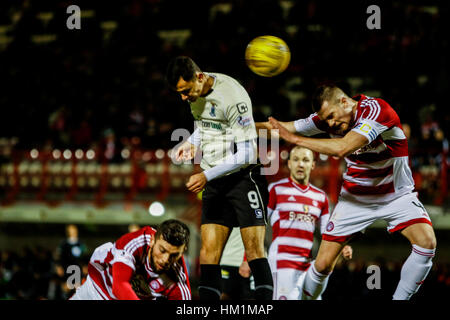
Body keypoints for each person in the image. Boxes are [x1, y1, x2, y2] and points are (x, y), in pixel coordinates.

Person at [260, 83, 437, 300]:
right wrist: (238, 128)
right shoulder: (327, 120)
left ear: (345, 102)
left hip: (395, 194)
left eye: (332, 116)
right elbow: (281, 128)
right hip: (355, 198)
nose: (330, 124)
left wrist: (295, 140)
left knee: (427, 243)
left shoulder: (376, 111)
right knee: (323, 265)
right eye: (325, 120)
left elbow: (343, 147)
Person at [166, 56, 273, 300]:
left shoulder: (233, 97)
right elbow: (203, 127)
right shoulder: (195, 94)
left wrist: (205, 175)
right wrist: (191, 143)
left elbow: (248, 152)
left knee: (254, 249)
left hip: (244, 178)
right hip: (215, 179)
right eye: (179, 93)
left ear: (199, 77)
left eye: (185, 91)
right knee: (208, 253)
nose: (184, 97)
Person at [267, 145, 352, 300]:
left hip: (307, 262)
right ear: (289, 164)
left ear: (313, 164)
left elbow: (328, 231)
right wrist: (249, 258)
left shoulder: (320, 197)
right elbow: (258, 225)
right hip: (282, 260)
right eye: (296, 160)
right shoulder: (275, 189)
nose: (300, 164)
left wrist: (342, 245)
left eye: (305, 160)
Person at [69, 219, 191, 300]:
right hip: (99, 287)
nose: (165, 259)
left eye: (174, 255)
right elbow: (120, 285)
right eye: (162, 250)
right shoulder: (135, 242)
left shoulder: (178, 279)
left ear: (183, 251)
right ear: (152, 240)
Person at [220, 227, 255, 300]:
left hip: (244, 261)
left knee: (250, 297)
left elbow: (254, 230)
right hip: (226, 260)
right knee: (224, 296)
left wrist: (246, 259)